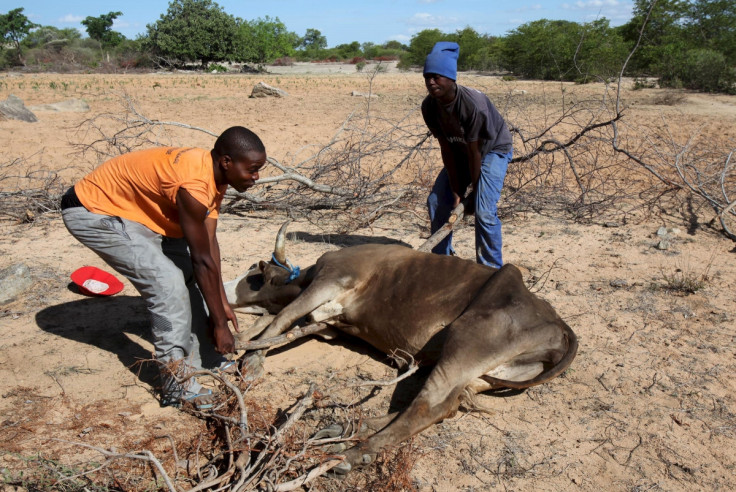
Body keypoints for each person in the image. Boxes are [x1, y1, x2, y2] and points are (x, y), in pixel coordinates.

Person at [61, 126, 266, 409]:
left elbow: (208, 246)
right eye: (252, 169)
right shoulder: (194, 184)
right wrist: (219, 322)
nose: (256, 177)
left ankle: (208, 357)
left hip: (139, 213)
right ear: (227, 162)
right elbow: (202, 258)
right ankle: (177, 386)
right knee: (168, 284)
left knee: (191, 275)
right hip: (93, 210)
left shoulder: (214, 176)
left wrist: (219, 301)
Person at [422, 41, 513, 268]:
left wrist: (473, 191)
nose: (431, 82)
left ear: (451, 78)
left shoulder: (473, 105)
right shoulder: (429, 107)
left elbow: (476, 153)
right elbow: (447, 148)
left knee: (483, 210)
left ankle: (490, 270)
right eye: (427, 77)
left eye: (437, 76)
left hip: (492, 151)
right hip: (460, 153)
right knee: (436, 201)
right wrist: (455, 191)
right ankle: (441, 262)